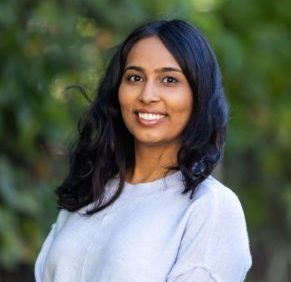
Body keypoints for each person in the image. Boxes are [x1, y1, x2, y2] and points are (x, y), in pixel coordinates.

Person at [35, 19, 252, 282]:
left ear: (198, 95)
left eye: (169, 79)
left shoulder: (210, 207)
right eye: (135, 77)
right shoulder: (91, 189)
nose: (147, 95)